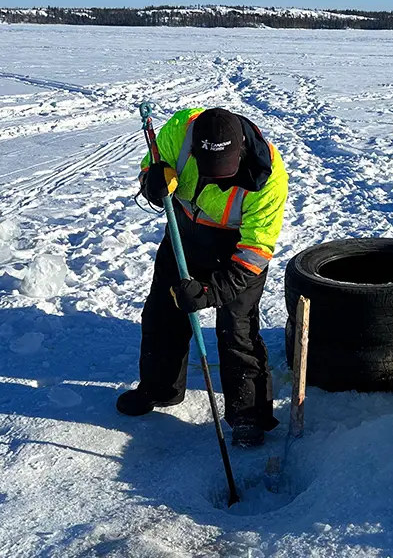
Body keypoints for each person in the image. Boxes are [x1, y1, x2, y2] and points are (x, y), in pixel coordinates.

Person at [117, 107, 289, 448]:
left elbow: (255, 253)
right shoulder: (182, 129)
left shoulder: (269, 176)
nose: (213, 180)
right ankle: (160, 388)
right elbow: (151, 163)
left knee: (237, 329)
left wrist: (210, 292)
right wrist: (153, 183)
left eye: (223, 173)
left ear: (240, 152)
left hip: (236, 250)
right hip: (184, 232)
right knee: (163, 312)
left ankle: (248, 414)